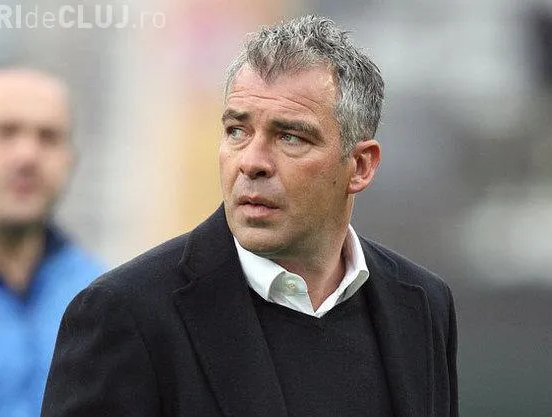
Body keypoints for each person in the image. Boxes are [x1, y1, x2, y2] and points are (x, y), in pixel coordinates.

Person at [42, 15, 458, 417]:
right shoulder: (126, 312)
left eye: (290, 137)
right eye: (237, 131)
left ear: (361, 166)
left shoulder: (422, 304)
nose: (252, 162)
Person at [0, 67, 103, 417]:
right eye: (5, 132)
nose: (27, 156)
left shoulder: (97, 291)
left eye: (48, 137)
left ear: (70, 160)